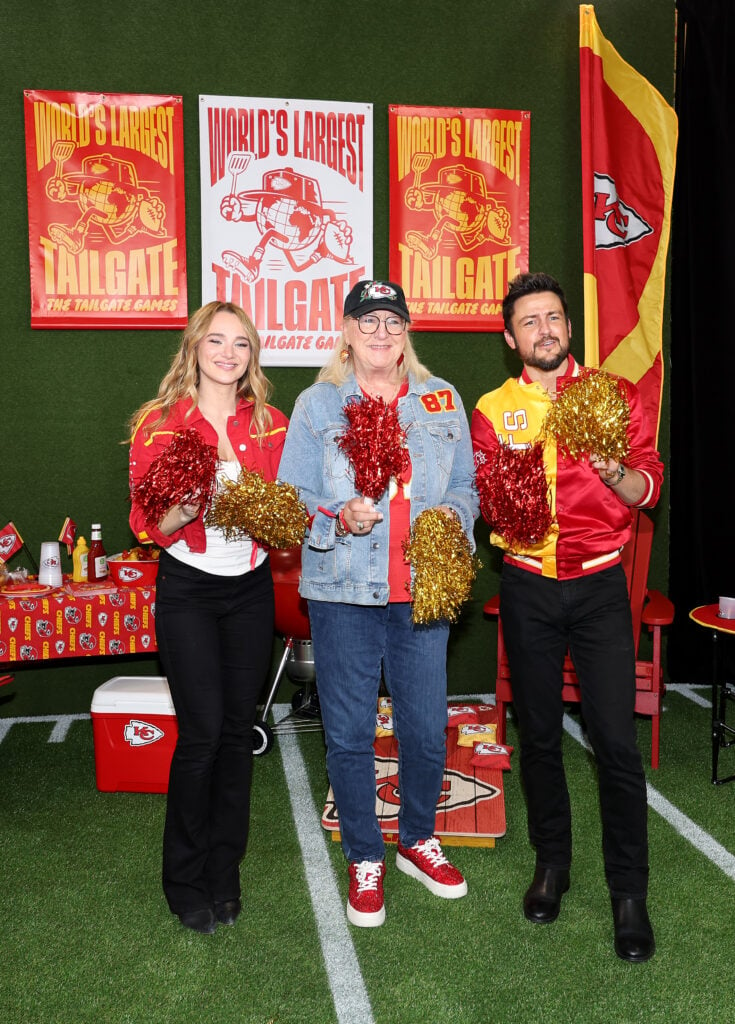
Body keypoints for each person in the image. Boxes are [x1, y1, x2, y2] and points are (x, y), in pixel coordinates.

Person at [471, 272, 663, 963]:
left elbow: (648, 489)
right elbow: (486, 501)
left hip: (598, 589)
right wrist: (501, 500)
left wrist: (615, 473)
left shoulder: (612, 396)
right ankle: (551, 864)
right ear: (509, 338)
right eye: (529, 321)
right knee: (541, 737)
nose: (543, 329)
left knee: (615, 743)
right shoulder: (493, 408)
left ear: (567, 327)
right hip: (526, 587)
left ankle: (628, 893)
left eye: (552, 317)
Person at [278, 280, 478, 927]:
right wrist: (339, 514)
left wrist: (451, 515)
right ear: (346, 330)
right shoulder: (317, 405)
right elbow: (290, 500)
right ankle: (365, 855)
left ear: (406, 332)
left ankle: (417, 840)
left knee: (424, 729)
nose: (381, 334)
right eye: (369, 322)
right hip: (341, 594)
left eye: (393, 322)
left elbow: (467, 487)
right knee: (349, 734)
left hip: (421, 592)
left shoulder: (441, 398)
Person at [128, 301, 288, 935]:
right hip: (188, 591)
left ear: (252, 354)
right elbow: (146, 526)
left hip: (249, 589)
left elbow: (284, 515)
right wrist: (185, 509)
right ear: (193, 348)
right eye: (216, 341)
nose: (228, 353)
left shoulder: (272, 423)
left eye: (241, 343)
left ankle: (225, 875)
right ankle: (184, 880)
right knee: (199, 738)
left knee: (234, 736)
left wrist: (281, 516)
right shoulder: (159, 424)